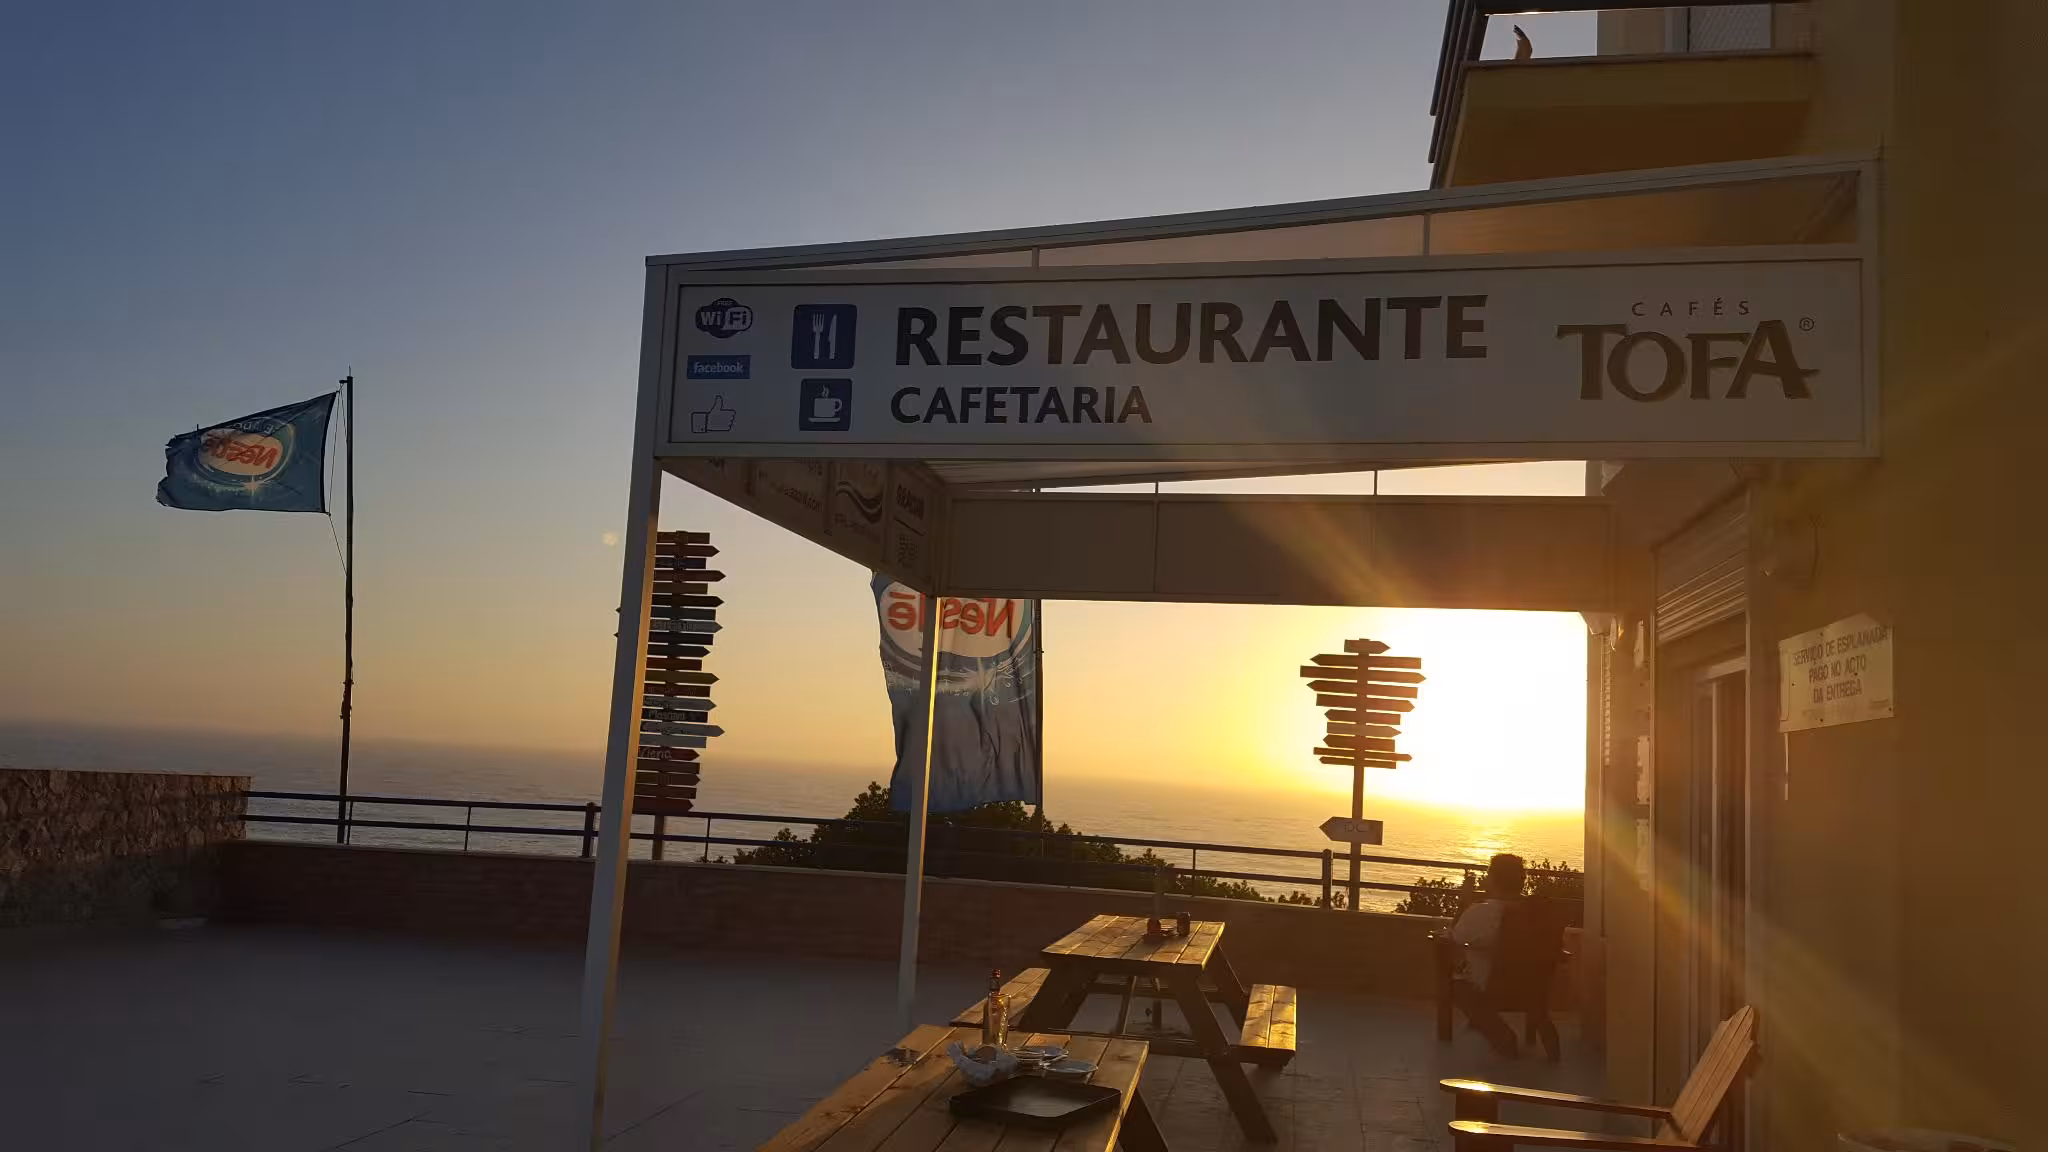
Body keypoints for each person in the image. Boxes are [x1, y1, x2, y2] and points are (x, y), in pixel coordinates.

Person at [1448, 852, 1527, 1058]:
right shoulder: (1534, 913)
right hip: (1531, 985)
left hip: (1490, 985)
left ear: (1493, 879)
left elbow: (1454, 937)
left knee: (1455, 985)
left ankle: (1498, 1032)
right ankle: (1483, 1021)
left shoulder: (1481, 913)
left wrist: (1464, 903)